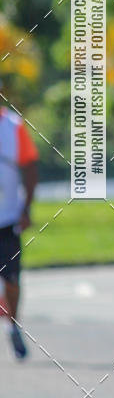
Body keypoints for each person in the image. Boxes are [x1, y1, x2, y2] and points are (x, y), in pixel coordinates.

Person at [0, 100, 39, 360]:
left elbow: (30, 167)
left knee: (11, 277)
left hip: (7, 218)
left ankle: (13, 324)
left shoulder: (13, 126)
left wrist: (26, 208)